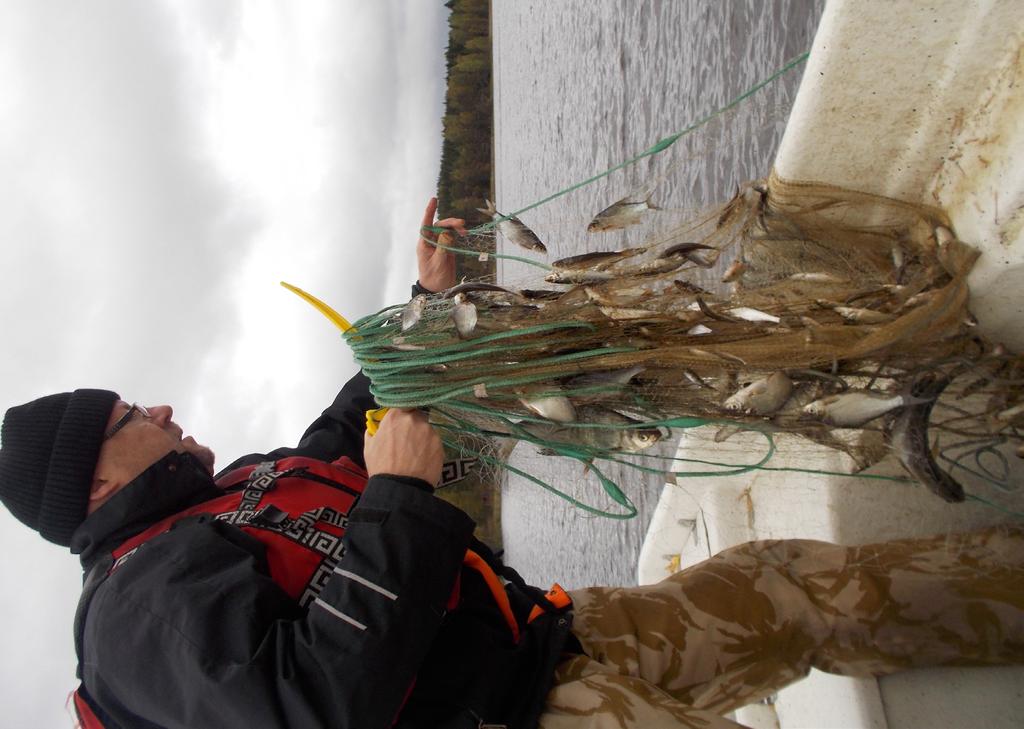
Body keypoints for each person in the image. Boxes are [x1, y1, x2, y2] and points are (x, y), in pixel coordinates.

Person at [1, 199, 1022, 729]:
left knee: (789, 589)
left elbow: (348, 427)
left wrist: (423, 303)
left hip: (552, 637)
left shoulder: (233, 494)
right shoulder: (133, 617)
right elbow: (310, 711)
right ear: (94, 482)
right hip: (522, 716)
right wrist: (398, 493)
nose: (162, 407)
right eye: (133, 413)